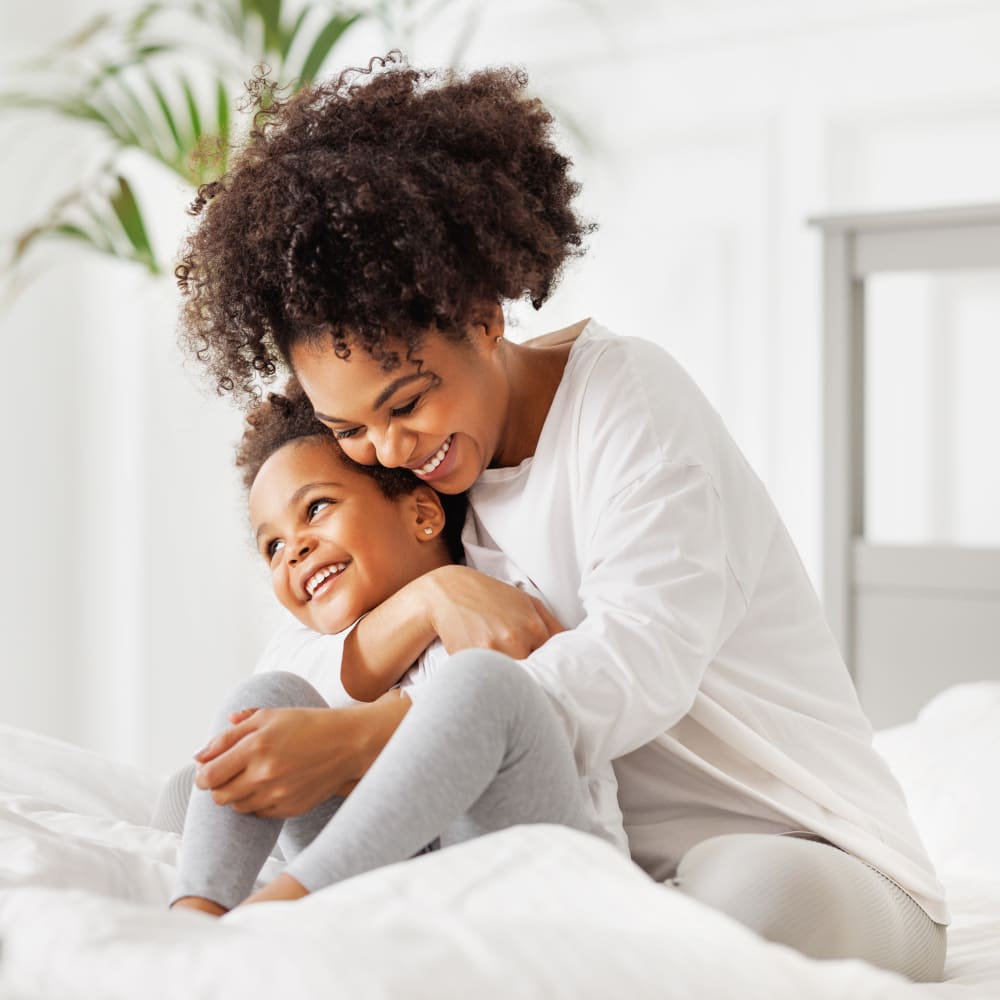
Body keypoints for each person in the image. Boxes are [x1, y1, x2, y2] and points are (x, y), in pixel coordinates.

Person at [175, 53, 949, 979]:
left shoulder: (628, 402)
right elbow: (298, 649)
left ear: (483, 314)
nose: (387, 449)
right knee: (225, 761)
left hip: (804, 849)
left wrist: (369, 736)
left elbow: (639, 659)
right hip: (585, 858)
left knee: (738, 899)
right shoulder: (429, 471)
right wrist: (429, 603)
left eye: (406, 402)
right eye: (350, 428)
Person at [167, 384, 602, 916]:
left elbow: (545, 720)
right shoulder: (310, 650)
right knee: (261, 703)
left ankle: (274, 913)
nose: (294, 550)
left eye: (317, 508)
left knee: (484, 685)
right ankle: (194, 918)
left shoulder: (499, 609)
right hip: (388, 905)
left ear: (422, 514)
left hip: (524, 891)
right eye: (272, 547)